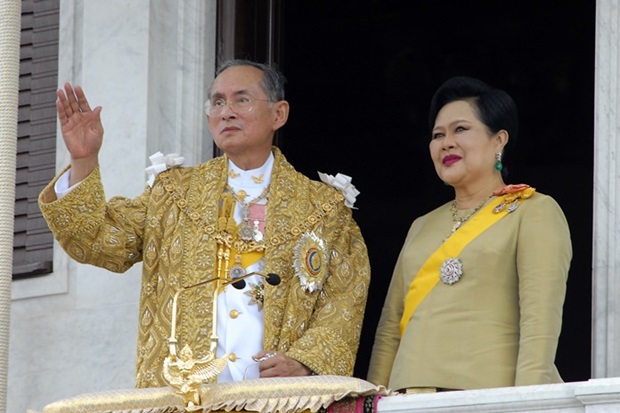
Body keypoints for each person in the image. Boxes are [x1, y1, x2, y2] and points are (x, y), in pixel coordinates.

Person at [38, 59, 371, 388]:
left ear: (278, 114)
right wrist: (84, 160)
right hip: (185, 398)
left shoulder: (323, 208)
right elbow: (96, 241)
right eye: (217, 102)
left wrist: (304, 362)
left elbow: (345, 297)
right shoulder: (173, 193)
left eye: (242, 99)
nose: (226, 111)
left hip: (279, 398)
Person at [367, 76, 572, 392]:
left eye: (460, 129)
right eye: (438, 135)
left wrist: (530, 402)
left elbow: (539, 326)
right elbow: (389, 328)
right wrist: (373, 398)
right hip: (408, 398)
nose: (446, 142)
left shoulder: (533, 211)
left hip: (487, 397)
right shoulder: (421, 225)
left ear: (499, 140)